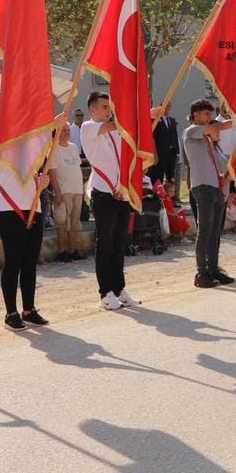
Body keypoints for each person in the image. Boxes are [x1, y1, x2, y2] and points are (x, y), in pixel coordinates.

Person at [81, 91, 139, 310]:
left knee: (119, 242)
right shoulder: (88, 127)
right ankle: (105, 293)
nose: (109, 111)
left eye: (110, 107)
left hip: (120, 191)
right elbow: (113, 126)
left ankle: (118, 289)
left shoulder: (115, 131)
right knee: (104, 244)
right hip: (102, 192)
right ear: (93, 109)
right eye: (105, 107)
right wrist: (140, 116)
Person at [0, 138, 52, 329]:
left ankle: (29, 310)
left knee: (30, 262)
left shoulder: (27, 149)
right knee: (13, 262)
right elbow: (14, 174)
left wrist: (42, 181)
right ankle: (11, 313)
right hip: (10, 210)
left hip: (33, 208)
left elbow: (31, 175)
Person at [182, 98, 236, 286]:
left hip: (217, 188)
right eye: (206, 114)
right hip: (203, 186)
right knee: (205, 230)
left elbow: (222, 166)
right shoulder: (191, 131)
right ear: (196, 115)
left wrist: (227, 175)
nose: (209, 118)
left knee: (215, 232)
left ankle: (213, 269)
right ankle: (201, 273)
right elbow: (218, 127)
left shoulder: (212, 143)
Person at [48, 122, 85, 261]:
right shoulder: (53, 149)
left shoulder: (74, 147)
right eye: (63, 130)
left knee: (75, 222)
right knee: (62, 222)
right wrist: (57, 194)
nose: (66, 133)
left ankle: (72, 250)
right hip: (63, 191)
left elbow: (77, 168)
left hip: (76, 189)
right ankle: (61, 251)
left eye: (68, 130)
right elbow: (52, 174)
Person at [150, 109, 180, 195]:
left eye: (169, 107)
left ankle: (171, 197)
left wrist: (177, 152)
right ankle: (158, 196)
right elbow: (153, 136)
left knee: (171, 177)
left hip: (171, 152)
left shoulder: (172, 120)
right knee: (158, 175)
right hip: (160, 153)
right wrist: (154, 153)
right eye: (166, 107)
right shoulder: (156, 120)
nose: (167, 109)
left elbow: (175, 136)